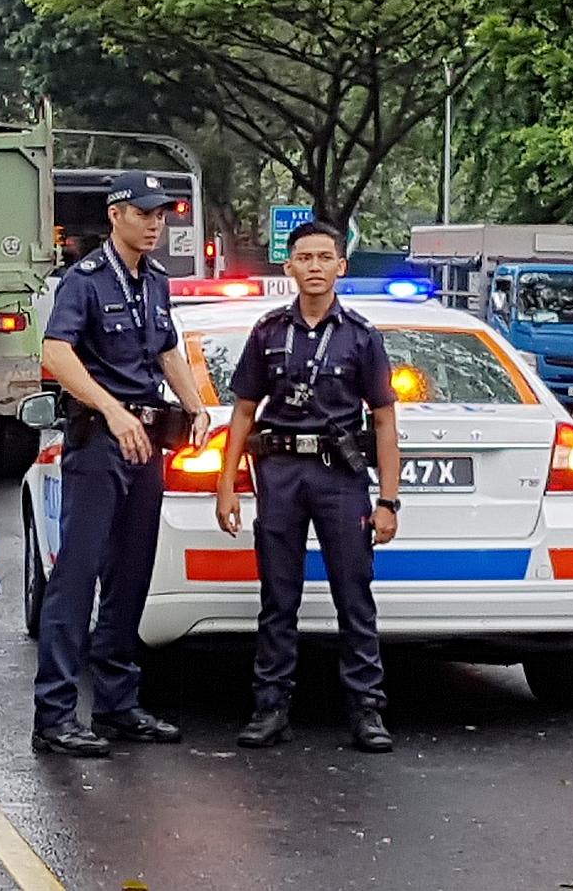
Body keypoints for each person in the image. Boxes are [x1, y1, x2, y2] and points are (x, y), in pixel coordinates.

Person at [33, 170, 211, 757]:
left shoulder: (154, 281)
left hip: (148, 438)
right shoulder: (83, 281)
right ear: (116, 215)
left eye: (162, 213)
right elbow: (56, 352)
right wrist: (112, 411)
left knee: (131, 574)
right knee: (77, 575)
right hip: (101, 438)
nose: (156, 223)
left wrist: (194, 404)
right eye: (144, 212)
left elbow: (165, 348)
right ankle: (55, 716)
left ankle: (116, 704)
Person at [216, 220, 401, 753]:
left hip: (340, 476)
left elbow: (385, 421)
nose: (315, 267)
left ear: (341, 267)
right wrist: (227, 486)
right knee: (278, 595)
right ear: (289, 266)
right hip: (280, 474)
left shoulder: (361, 336)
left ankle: (366, 709)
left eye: (325, 258)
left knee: (353, 593)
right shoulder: (269, 331)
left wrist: (388, 499)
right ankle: (270, 706)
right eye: (305, 258)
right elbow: (245, 412)